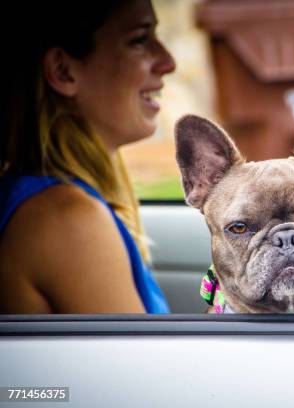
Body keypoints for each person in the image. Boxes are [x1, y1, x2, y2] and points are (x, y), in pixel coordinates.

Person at [0, 0, 176, 313]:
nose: (168, 61)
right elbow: (139, 363)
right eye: (139, 40)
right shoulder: (67, 219)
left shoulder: (38, 200)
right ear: (63, 71)